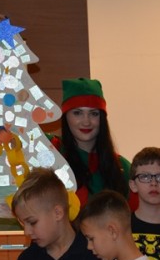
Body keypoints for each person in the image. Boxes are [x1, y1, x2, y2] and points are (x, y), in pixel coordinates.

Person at [53, 77, 134, 209]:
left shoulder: (122, 167)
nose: (86, 122)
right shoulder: (51, 153)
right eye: (77, 113)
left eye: (94, 114)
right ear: (65, 116)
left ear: (102, 118)